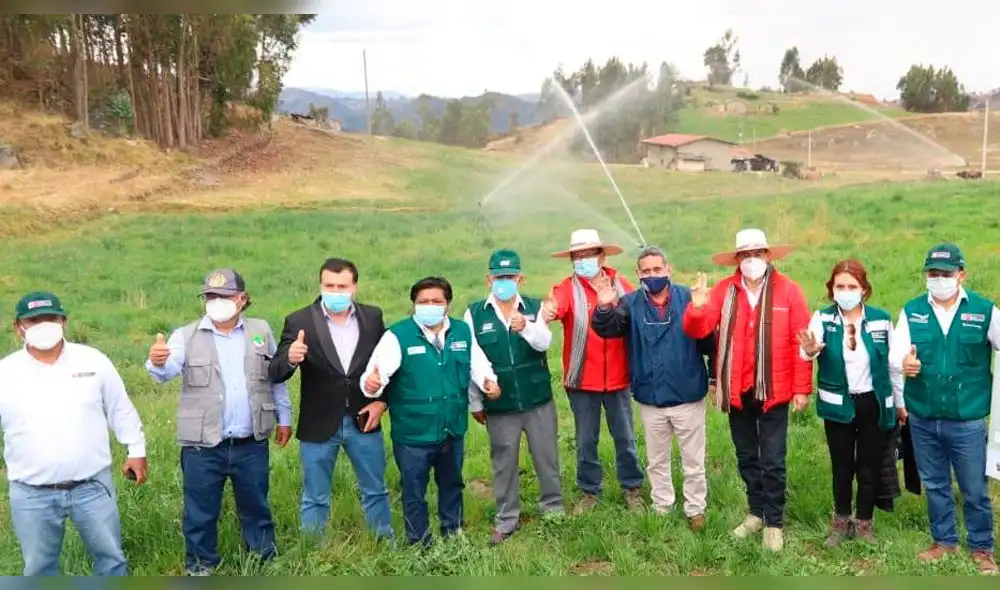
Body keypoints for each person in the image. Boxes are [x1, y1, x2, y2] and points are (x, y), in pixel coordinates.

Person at [145, 268, 293, 575]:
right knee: (200, 513)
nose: (216, 302)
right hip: (203, 446)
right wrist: (157, 361)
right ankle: (201, 567)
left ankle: (263, 563)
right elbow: (164, 371)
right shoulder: (186, 335)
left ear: (241, 300)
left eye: (223, 296)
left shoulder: (259, 330)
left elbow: (275, 376)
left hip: (250, 442)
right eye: (210, 296)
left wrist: (284, 416)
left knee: (256, 508)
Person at [682, 228, 812, 551]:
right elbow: (697, 331)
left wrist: (802, 387)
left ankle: (774, 522)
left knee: (773, 459)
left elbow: (803, 344)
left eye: (758, 254)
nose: (752, 260)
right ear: (737, 259)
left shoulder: (789, 292)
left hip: (775, 390)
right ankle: (756, 512)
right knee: (746, 456)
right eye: (745, 255)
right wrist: (697, 307)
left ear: (768, 256)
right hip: (737, 389)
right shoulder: (724, 290)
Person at [0, 291, 147, 576]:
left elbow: (120, 408)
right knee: (39, 568)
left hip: (92, 486)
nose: (43, 325)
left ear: (63, 321)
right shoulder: (5, 372)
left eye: (50, 318)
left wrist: (136, 450)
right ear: (19, 328)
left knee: (112, 561)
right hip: (31, 492)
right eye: (33, 321)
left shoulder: (92, 361)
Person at [360, 276, 500, 545]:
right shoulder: (397, 336)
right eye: (423, 302)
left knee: (452, 484)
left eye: (436, 301)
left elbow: (477, 365)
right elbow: (374, 377)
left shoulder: (461, 332)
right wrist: (372, 384)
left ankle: (453, 532)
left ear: (447, 304)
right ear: (414, 304)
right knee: (414, 490)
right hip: (413, 433)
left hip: (452, 427)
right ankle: (419, 541)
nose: (430, 306)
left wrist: (488, 382)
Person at [888, 243, 999, 574]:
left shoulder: (984, 311)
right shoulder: (912, 310)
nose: (939, 279)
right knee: (935, 483)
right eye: (933, 274)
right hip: (923, 415)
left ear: (961, 275)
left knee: (974, 487)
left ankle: (982, 548)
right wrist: (904, 362)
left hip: (966, 419)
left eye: (946, 274)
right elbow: (896, 354)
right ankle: (944, 541)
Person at [268, 258, 393, 540]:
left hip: (364, 420)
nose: (336, 291)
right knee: (315, 495)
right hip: (319, 423)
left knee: (375, 489)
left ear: (354, 287)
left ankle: (384, 543)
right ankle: (312, 548)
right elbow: (275, 372)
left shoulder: (372, 318)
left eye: (342, 286)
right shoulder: (299, 320)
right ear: (321, 285)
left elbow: (386, 364)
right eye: (329, 285)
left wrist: (382, 401)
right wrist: (289, 358)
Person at [591, 246, 714, 531]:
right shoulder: (630, 303)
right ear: (638, 275)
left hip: (688, 394)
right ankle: (662, 506)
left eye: (657, 270)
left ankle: (695, 509)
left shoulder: (688, 298)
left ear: (668, 269)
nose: (652, 275)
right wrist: (604, 306)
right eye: (646, 271)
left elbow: (709, 341)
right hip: (650, 396)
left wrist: (713, 379)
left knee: (693, 460)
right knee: (657, 460)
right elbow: (608, 329)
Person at [798, 259, 901, 548]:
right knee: (841, 467)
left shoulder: (881, 319)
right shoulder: (823, 318)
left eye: (851, 286)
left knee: (868, 467)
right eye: (839, 286)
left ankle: (865, 523)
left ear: (864, 289)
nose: (845, 291)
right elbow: (808, 349)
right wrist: (808, 351)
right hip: (838, 407)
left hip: (873, 404)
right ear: (832, 290)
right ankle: (841, 521)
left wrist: (900, 404)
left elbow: (893, 366)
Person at [540, 229, 644, 513]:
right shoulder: (566, 289)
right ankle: (589, 492)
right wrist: (547, 312)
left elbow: (639, 315)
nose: (582, 260)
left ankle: (632, 488)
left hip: (619, 378)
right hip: (583, 380)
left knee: (625, 436)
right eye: (577, 256)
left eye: (588, 254)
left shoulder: (622, 286)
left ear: (601, 256)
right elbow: (555, 307)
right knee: (586, 438)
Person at [464, 249, 564, 545]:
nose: (504, 282)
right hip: (501, 404)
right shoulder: (475, 313)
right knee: (503, 461)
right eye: (499, 277)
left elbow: (544, 342)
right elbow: (473, 357)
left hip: (537, 400)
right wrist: (477, 398)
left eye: (510, 276)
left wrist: (526, 327)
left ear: (521, 278)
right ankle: (507, 518)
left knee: (546, 456)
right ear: (488, 279)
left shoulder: (535, 307)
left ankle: (553, 509)